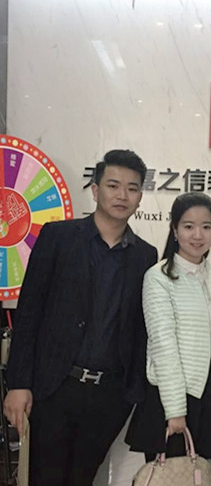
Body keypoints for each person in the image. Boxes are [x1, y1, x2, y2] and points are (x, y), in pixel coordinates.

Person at [2, 149, 158, 486]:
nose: (122, 195)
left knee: (83, 478)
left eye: (132, 188)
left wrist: (132, 393)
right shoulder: (58, 237)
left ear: (140, 197)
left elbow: (140, 329)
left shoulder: (146, 256)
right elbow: (29, 313)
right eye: (113, 185)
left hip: (110, 395)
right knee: (46, 478)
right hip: (55, 386)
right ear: (96, 189)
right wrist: (19, 383)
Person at [126, 192, 211, 461]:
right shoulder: (159, 277)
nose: (198, 235)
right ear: (175, 230)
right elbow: (163, 346)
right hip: (169, 399)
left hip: (205, 394)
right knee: (168, 475)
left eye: (206, 226)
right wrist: (176, 410)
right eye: (188, 226)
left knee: (199, 476)